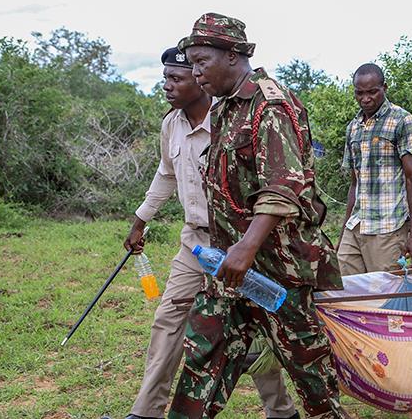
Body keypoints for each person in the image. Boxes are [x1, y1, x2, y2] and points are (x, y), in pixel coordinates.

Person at [168, 13, 346, 418]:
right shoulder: (226, 108)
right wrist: (233, 253)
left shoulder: (270, 105)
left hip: (280, 272)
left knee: (311, 376)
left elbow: (283, 186)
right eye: (191, 63)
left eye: (200, 61)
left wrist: (247, 247)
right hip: (232, 270)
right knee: (203, 357)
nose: (195, 73)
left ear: (232, 55)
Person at [122, 47, 298, 419]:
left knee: (251, 327)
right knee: (169, 319)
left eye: (177, 78)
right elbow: (166, 173)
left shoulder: (231, 120)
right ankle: (146, 411)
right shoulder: (172, 124)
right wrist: (141, 219)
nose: (167, 86)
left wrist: (251, 244)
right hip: (194, 243)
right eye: (165, 77)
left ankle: (282, 412)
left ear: (200, 81)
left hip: (240, 243)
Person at [337, 63, 412, 275]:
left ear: (384, 88)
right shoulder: (353, 127)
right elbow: (354, 183)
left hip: (388, 226)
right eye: (359, 93)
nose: (365, 98)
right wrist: (343, 230)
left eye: (372, 92)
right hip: (356, 225)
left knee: (385, 295)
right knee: (347, 290)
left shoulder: (402, 120)